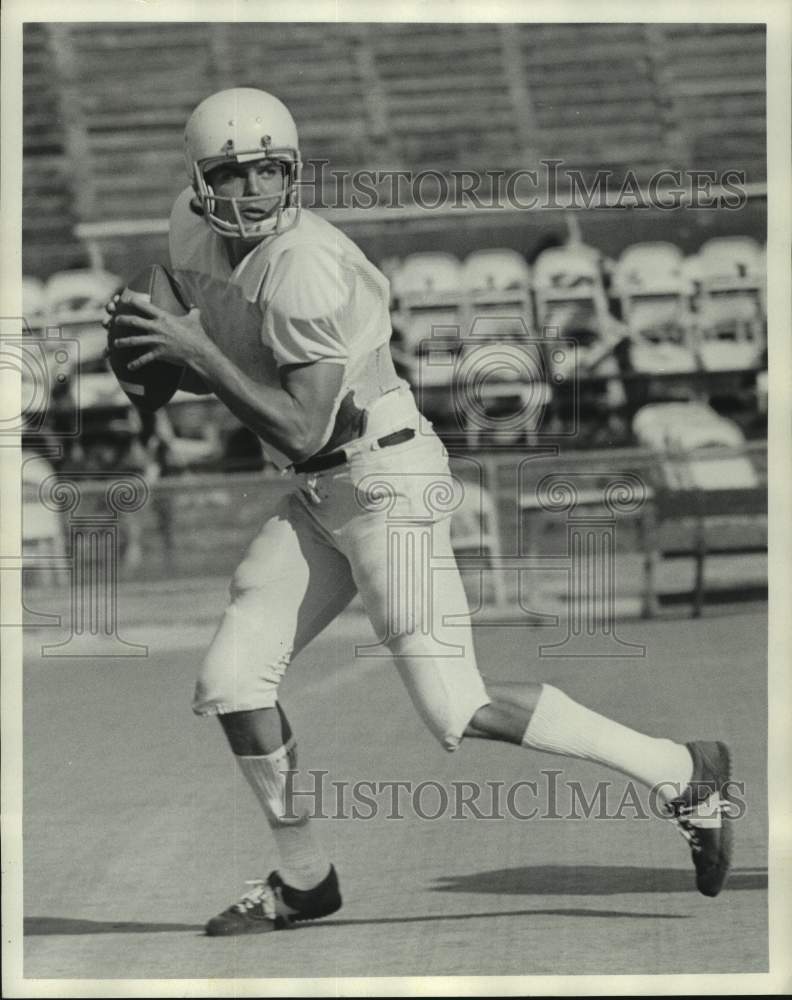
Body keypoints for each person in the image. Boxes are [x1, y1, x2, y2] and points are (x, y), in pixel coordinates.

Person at [106, 88, 734, 936]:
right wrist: (162, 354)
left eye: (269, 168)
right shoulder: (190, 226)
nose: (253, 188)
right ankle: (304, 879)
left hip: (384, 483)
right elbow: (232, 361)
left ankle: (681, 771)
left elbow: (299, 417)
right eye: (232, 170)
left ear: (292, 172)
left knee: (456, 708)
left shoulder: (306, 265)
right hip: (322, 489)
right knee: (229, 682)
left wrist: (196, 353)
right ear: (200, 178)